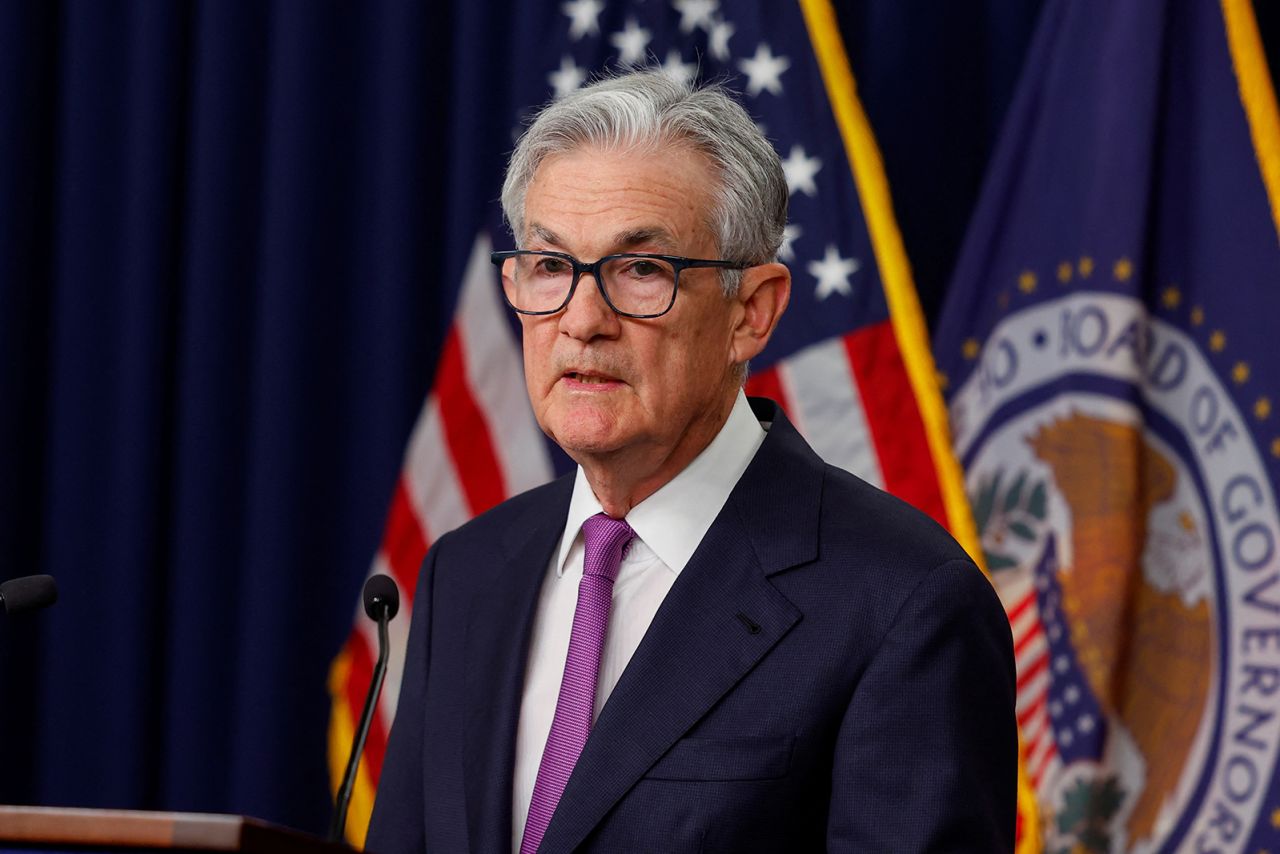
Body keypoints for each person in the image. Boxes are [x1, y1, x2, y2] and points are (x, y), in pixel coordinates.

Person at [367, 70, 1016, 854]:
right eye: (549, 266)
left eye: (642, 270)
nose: (580, 320)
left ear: (753, 311)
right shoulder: (465, 572)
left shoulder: (904, 604)